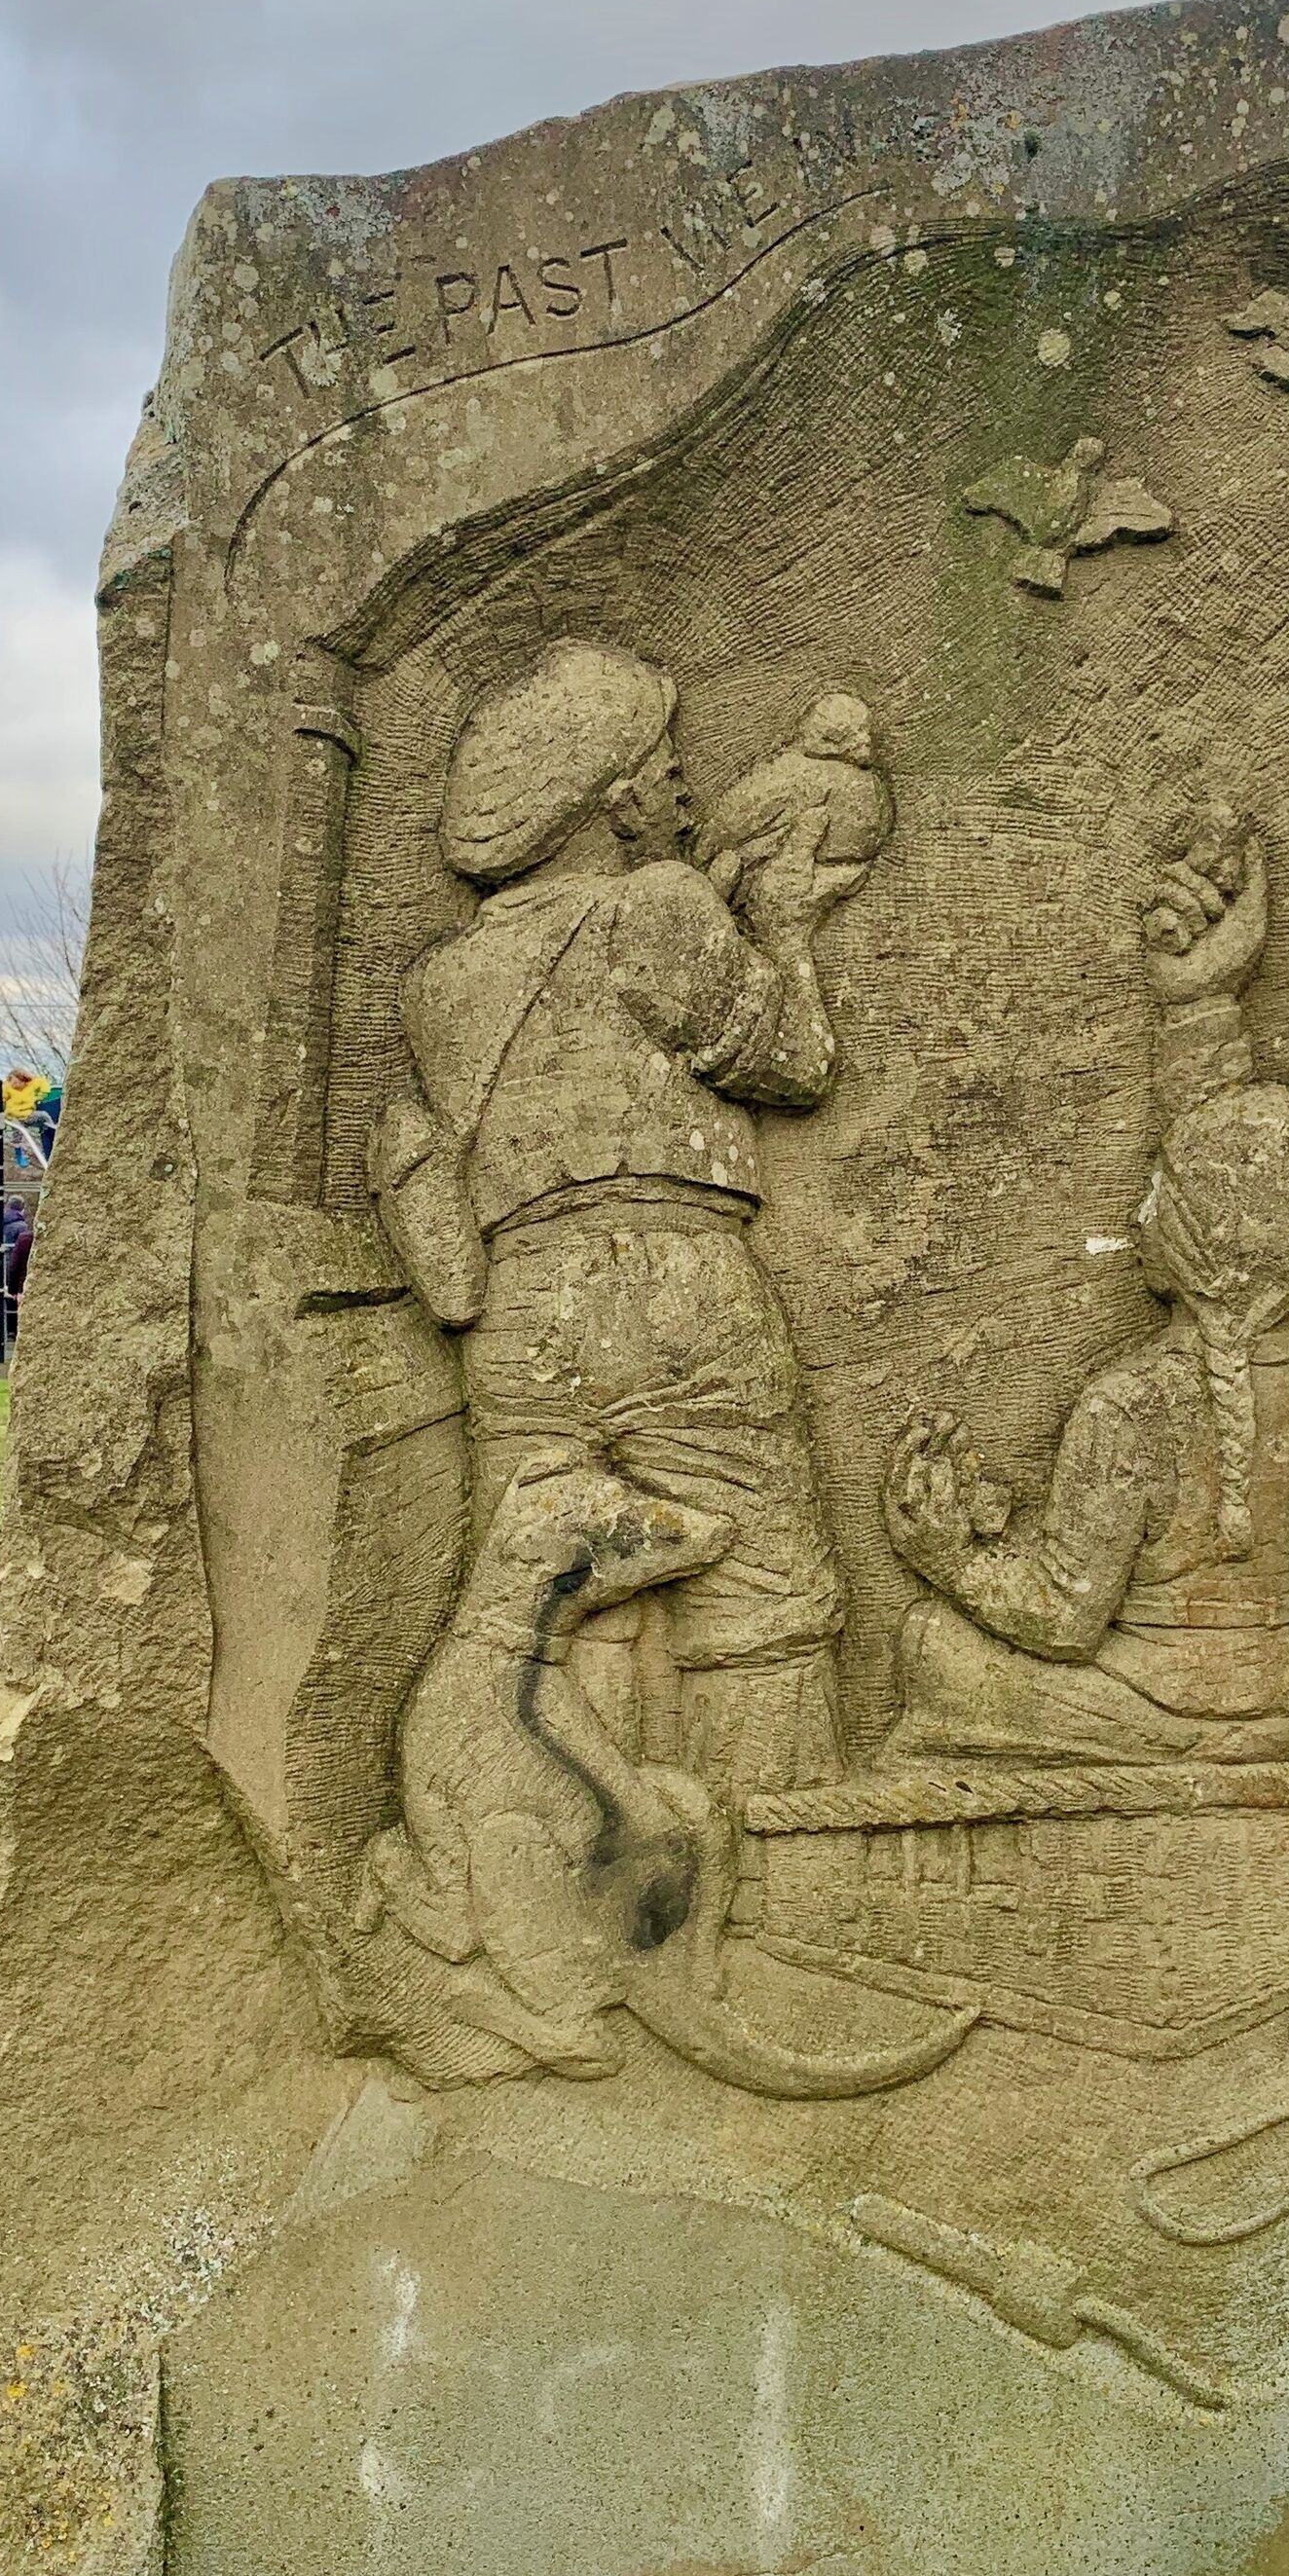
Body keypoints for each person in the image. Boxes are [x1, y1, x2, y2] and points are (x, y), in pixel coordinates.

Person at [371, 638, 877, 1802]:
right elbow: (794, 1065)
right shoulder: (656, 904)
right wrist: (786, 930)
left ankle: (575, 1878)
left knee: (557, 1615)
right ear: (609, 797)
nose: (685, 787)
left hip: (517, 1320)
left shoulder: (440, 981)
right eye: (662, 762)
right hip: (673, 1280)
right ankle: (778, 1865)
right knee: (760, 1591)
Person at [881, 812, 1289, 1765]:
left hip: (1166, 1712)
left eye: (1162, 1197)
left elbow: (1063, 1620)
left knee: (927, 1646)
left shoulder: (1132, 1403)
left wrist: (950, 1556)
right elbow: (1251, 1171)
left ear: (1206, 1245)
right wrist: (1200, 1002)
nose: (1139, 1212)